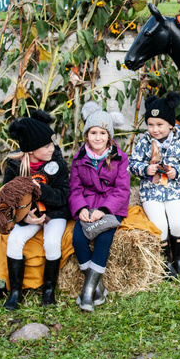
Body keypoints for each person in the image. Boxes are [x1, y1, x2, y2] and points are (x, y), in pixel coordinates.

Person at [2, 110, 70, 310]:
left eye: (52, 144)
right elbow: (7, 199)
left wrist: (41, 190)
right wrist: (24, 218)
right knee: (15, 240)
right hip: (29, 214)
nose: (52, 148)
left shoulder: (57, 163)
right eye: (46, 146)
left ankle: (48, 291)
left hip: (54, 212)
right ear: (31, 150)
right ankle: (15, 292)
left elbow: (63, 196)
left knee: (52, 241)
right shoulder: (14, 166)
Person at [128, 91, 180, 278]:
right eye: (151, 125)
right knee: (159, 225)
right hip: (151, 192)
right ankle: (166, 261)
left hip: (175, 190)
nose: (155, 129)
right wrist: (145, 169)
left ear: (170, 124)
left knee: (177, 224)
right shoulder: (144, 142)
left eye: (160, 125)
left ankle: (179, 259)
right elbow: (132, 163)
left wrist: (177, 172)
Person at [68, 102, 130, 311]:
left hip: (110, 206)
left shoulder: (120, 158)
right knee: (78, 239)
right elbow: (75, 188)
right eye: (93, 133)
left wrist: (103, 210)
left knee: (104, 238)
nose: (97, 137)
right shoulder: (79, 158)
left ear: (109, 136)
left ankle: (87, 292)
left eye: (102, 133)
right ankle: (98, 288)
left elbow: (122, 190)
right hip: (87, 205)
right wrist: (81, 209)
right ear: (86, 135)